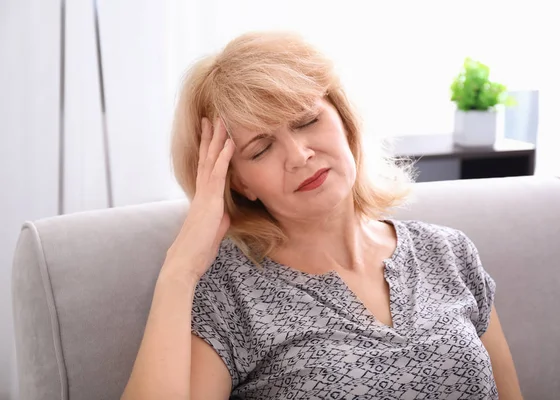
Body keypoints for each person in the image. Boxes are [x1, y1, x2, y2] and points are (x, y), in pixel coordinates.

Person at [121, 32, 523, 400]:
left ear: (343, 120)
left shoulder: (447, 251)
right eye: (261, 149)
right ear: (239, 182)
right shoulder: (228, 293)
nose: (298, 156)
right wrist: (180, 269)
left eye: (307, 120)